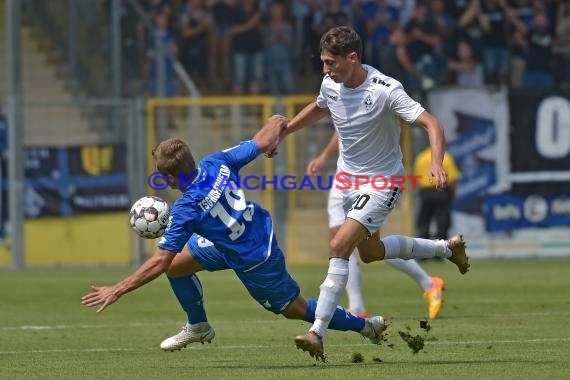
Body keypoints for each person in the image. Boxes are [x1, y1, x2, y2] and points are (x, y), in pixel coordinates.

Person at [81, 115, 385, 354]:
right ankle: (198, 325)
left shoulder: (187, 208)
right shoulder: (216, 162)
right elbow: (265, 136)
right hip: (237, 235)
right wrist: (278, 122)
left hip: (256, 259)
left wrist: (117, 289)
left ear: (170, 178)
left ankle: (365, 326)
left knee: (296, 309)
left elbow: (158, 260)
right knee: (177, 267)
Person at [273, 26, 470, 361]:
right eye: (322, 62)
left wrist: (436, 162)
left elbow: (432, 124)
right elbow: (321, 107)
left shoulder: (386, 89)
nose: (325, 70)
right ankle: (445, 249)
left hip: (382, 182)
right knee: (371, 253)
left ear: (353, 58)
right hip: (347, 180)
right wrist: (287, 130)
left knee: (338, 245)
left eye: (330, 63)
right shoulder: (330, 84)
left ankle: (317, 331)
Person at [307, 132, 445, 321]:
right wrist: (324, 156)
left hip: (372, 180)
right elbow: (340, 127)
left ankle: (429, 282)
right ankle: (357, 307)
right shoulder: (340, 104)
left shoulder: (378, 104)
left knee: (371, 248)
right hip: (343, 180)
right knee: (341, 241)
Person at [414, 145, 461, 240]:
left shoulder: (421, 157)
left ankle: (423, 243)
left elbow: (416, 178)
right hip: (441, 190)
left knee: (424, 219)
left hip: (426, 192)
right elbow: (452, 178)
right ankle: (440, 243)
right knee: (442, 219)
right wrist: (453, 192)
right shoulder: (446, 157)